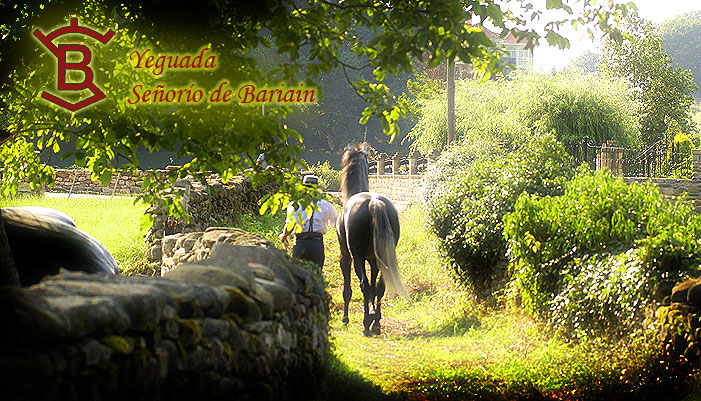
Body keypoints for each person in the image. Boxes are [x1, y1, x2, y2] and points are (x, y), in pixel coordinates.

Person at [278, 175, 338, 268]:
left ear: (303, 188)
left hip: (300, 244)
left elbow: (290, 225)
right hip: (317, 244)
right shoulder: (326, 205)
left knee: (298, 275)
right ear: (317, 189)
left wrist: (284, 236)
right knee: (317, 276)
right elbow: (336, 223)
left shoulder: (295, 204)